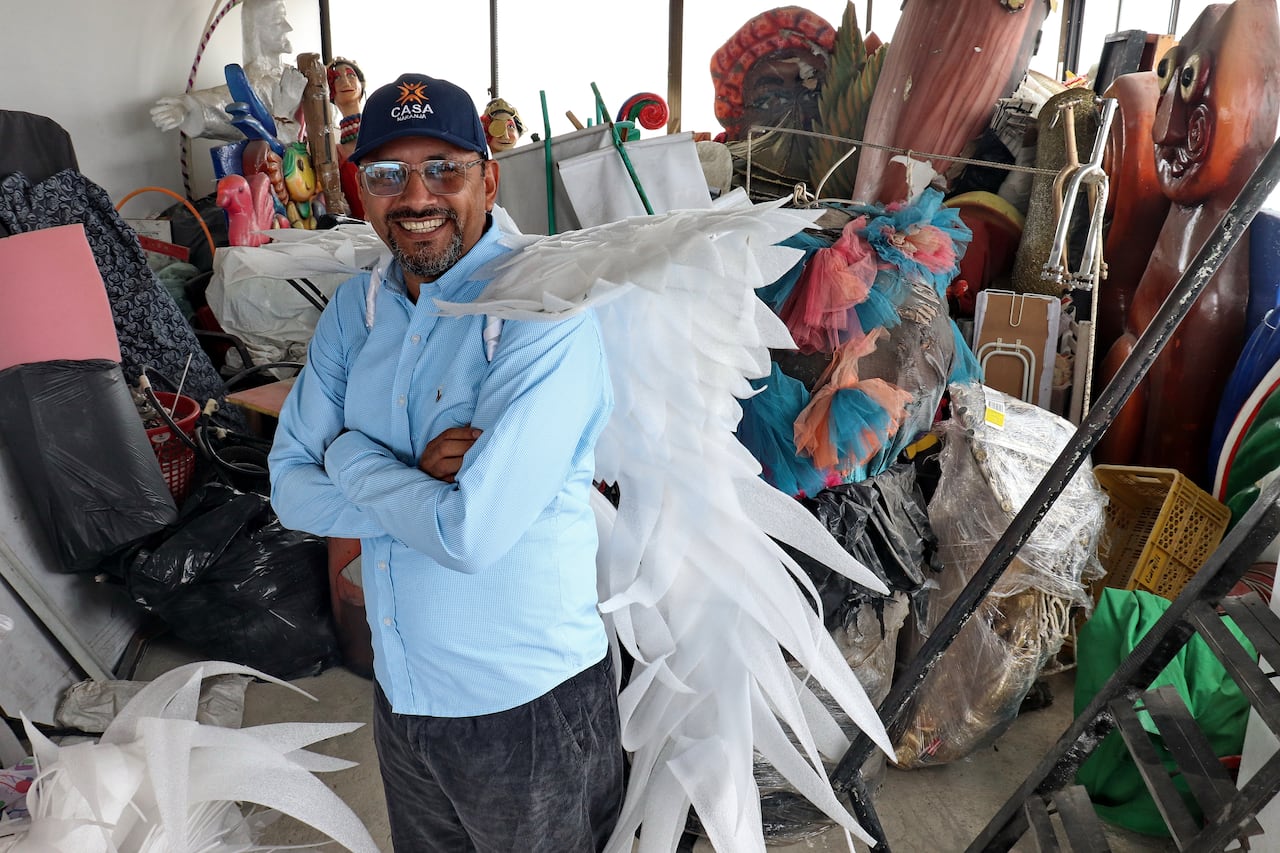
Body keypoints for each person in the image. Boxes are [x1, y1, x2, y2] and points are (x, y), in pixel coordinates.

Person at [267, 73, 625, 852]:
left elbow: (472, 534)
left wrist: (354, 456)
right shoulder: (355, 310)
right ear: (360, 188)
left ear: (489, 178)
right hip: (404, 694)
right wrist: (416, 482)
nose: (416, 195)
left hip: (525, 706)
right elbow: (290, 488)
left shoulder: (545, 309)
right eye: (388, 174)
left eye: (444, 169)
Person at [150, 0, 306, 143]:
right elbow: (219, 101)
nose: (288, 27)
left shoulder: (295, 74)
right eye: (278, 21)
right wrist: (184, 108)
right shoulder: (253, 84)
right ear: (257, 29)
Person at [327, 57, 367, 218]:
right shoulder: (333, 152)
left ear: (361, 84)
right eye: (336, 78)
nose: (345, 81)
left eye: (351, 75)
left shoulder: (383, 132)